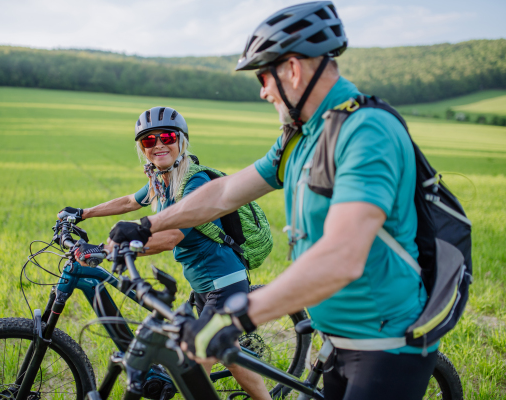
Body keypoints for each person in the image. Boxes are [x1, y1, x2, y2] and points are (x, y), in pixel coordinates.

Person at [108, 2, 438, 399]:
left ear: (293, 70)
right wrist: (147, 225)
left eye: (264, 77)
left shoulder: (366, 133)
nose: (264, 92)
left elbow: (342, 256)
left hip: (384, 343)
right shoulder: (300, 137)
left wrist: (234, 318)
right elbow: (225, 192)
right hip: (337, 337)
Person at [58, 106, 272, 400]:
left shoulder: (193, 181)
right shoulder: (160, 180)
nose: (158, 145)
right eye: (148, 141)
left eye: (167, 137)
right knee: (221, 355)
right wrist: (83, 213)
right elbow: (129, 202)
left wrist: (109, 251)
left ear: (182, 141)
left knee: (197, 363)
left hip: (223, 282)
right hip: (202, 285)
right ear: (142, 147)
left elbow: (172, 236)